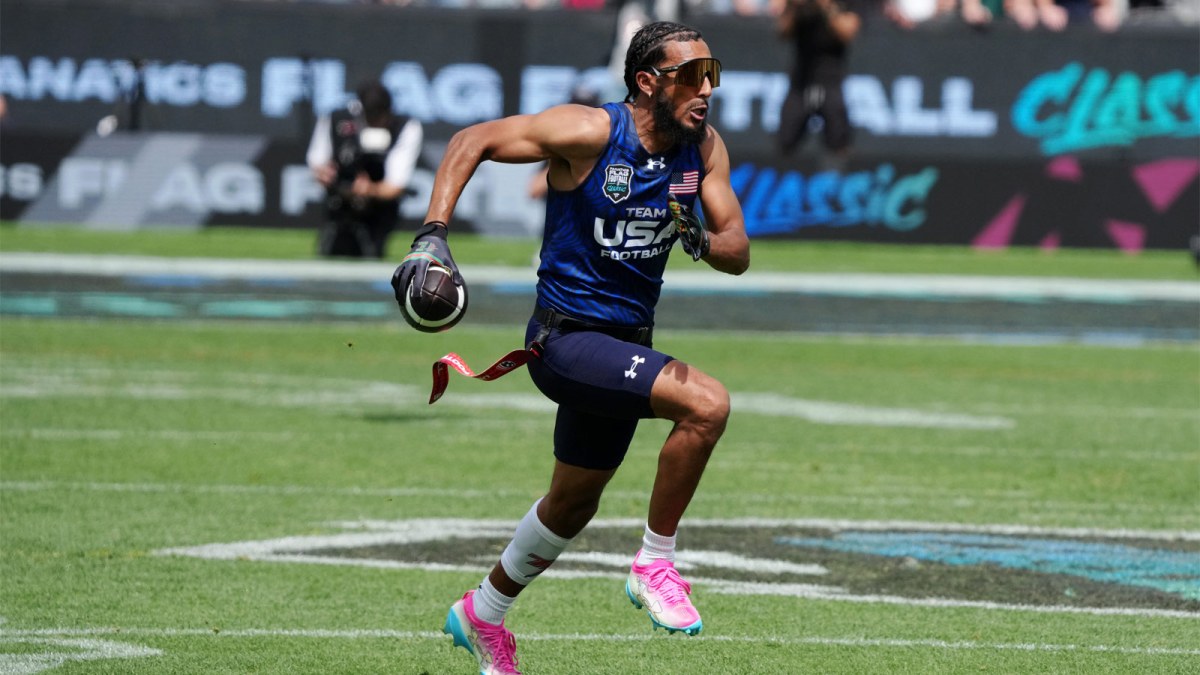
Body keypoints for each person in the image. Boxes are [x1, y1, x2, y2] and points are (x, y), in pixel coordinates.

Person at [391, 20, 749, 675]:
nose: (707, 90)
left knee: (571, 503)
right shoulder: (590, 132)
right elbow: (473, 139)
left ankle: (482, 612)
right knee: (707, 405)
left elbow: (738, 249)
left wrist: (694, 237)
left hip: (625, 344)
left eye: (712, 74)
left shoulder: (704, 147)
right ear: (648, 82)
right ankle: (655, 562)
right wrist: (433, 233)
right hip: (566, 338)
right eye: (693, 76)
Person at [306, 79, 422, 259]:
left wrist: (369, 189)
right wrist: (325, 174)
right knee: (331, 256)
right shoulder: (337, 119)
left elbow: (395, 185)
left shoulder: (405, 127)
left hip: (379, 211)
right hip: (338, 206)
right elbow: (317, 161)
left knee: (372, 255)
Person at [771, 0, 863, 169]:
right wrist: (793, 7)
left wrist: (826, 7)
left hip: (831, 81)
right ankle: (784, 183)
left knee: (838, 139)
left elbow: (848, 32)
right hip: (801, 81)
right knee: (786, 139)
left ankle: (836, 183)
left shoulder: (842, 4)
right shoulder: (800, 6)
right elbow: (782, 32)